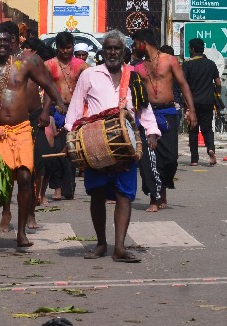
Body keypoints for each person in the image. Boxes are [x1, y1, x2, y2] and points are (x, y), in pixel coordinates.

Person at [64, 30, 160, 263]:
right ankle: (100, 243)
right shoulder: (90, 75)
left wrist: (152, 132)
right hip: (95, 144)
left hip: (125, 146)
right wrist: (70, 136)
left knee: (124, 195)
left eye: (117, 48)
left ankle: (119, 248)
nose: (113, 53)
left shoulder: (134, 77)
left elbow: (144, 108)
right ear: (103, 51)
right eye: (108, 49)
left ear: (124, 51)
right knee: (96, 195)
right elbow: (76, 106)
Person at [0, 23, 61, 251]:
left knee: (24, 177)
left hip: (21, 129)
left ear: (12, 42)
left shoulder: (24, 64)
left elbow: (48, 83)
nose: (2, 44)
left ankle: (20, 232)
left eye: (6, 40)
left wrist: (59, 104)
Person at [132, 29, 196, 212]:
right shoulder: (138, 67)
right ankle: (154, 198)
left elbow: (183, 85)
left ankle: (163, 189)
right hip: (147, 114)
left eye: (136, 43)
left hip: (168, 112)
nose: (134, 47)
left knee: (170, 159)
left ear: (143, 43)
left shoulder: (170, 60)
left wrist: (192, 111)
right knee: (149, 159)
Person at [44, 32, 87, 201]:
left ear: (73, 46)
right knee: (56, 150)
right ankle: (57, 188)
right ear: (57, 47)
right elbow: (45, 87)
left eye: (68, 48)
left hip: (75, 111)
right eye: (62, 48)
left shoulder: (82, 66)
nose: (65, 51)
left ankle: (69, 187)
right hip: (56, 110)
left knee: (71, 149)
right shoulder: (49, 65)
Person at [183, 38, 222, 166]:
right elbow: (218, 82)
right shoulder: (211, 64)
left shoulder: (187, 65)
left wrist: (186, 105)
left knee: (193, 130)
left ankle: (194, 159)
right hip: (207, 101)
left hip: (192, 103)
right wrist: (217, 93)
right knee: (207, 129)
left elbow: (183, 85)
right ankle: (210, 149)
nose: (189, 50)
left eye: (189, 48)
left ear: (193, 49)